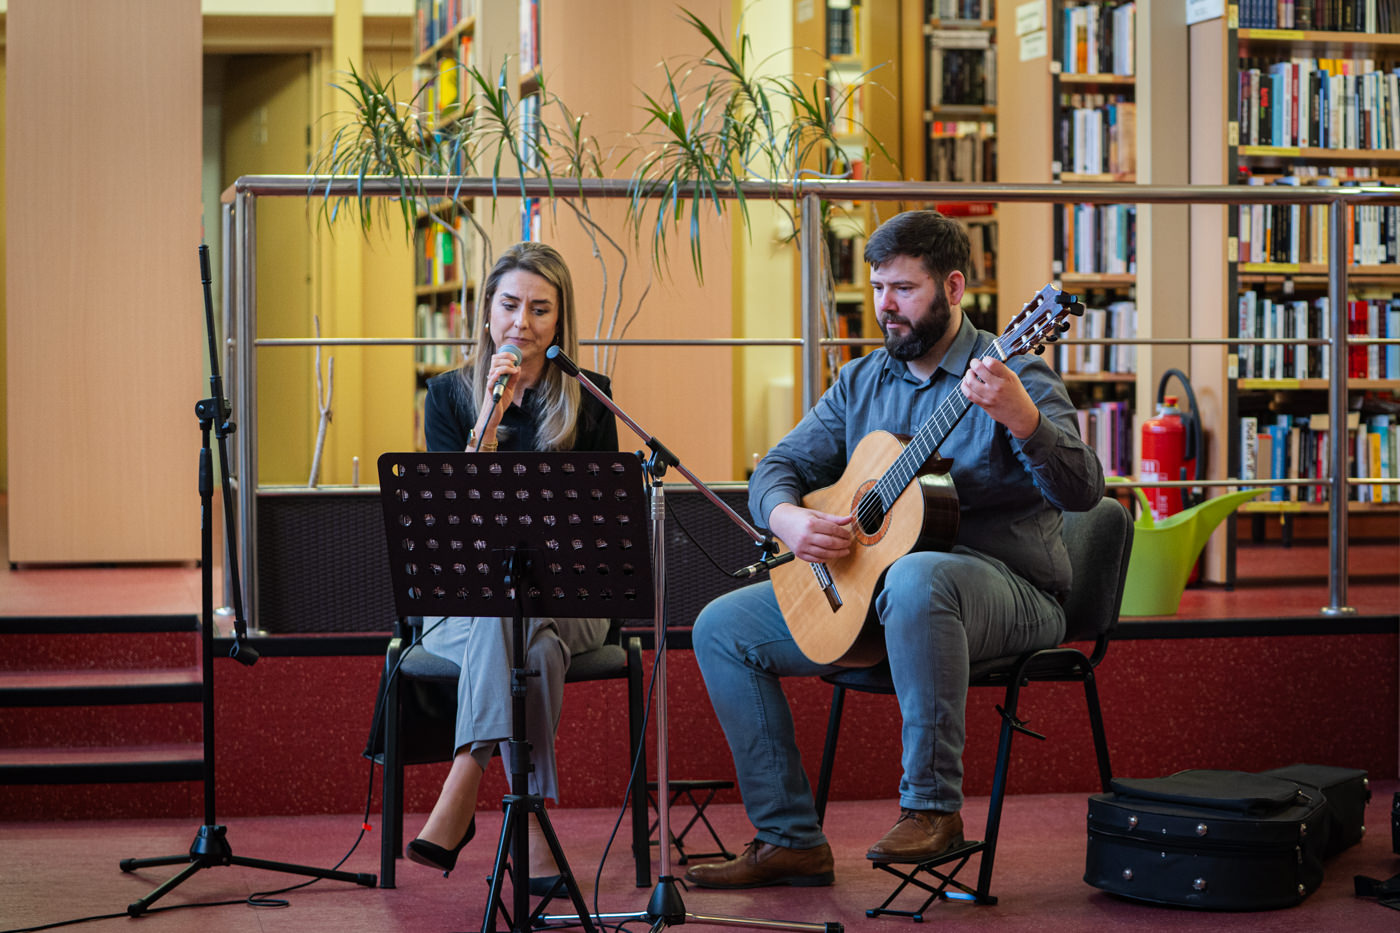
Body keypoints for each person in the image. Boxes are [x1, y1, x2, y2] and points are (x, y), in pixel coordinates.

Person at [682, 210, 1105, 889]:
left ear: (954, 287)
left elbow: (1085, 492)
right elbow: (778, 467)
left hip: (1011, 592)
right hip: (881, 600)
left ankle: (932, 809)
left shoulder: (1016, 370)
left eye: (904, 289)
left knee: (917, 577)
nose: (886, 305)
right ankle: (789, 839)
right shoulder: (862, 381)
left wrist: (1023, 419)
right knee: (721, 628)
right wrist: (789, 519)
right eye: (879, 288)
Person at [405, 242, 619, 891]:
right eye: (509, 305)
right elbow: (455, 525)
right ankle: (530, 823)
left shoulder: (590, 399)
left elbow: (599, 530)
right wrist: (489, 421)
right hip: (465, 607)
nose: (522, 322)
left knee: (523, 610)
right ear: (486, 312)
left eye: (540, 309)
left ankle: (465, 775)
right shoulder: (448, 397)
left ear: (559, 321)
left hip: (571, 601)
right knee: (531, 641)